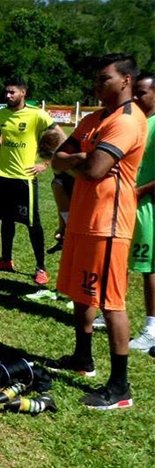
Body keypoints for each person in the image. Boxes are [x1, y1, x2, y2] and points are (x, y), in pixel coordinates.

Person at [48, 54, 147, 410]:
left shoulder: (127, 120)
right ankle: (82, 359)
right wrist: (77, 158)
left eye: (104, 78)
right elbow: (58, 155)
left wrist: (76, 159)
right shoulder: (93, 118)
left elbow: (92, 169)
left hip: (108, 223)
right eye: (96, 78)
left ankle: (120, 387)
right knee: (81, 292)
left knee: (111, 302)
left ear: (126, 81)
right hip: (82, 219)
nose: (97, 84)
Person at [0, 77, 66, 285]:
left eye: (12, 92)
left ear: (23, 93)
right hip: (4, 176)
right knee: (6, 219)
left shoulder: (37, 114)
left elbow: (58, 136)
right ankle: (5, 260)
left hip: (25, 179)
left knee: (32, 223)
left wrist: (45, 163)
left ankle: (40, 267)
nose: (8, 96)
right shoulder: (2, 114)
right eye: (6, 92)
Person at [127, 73, 155, 351]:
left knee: (150, 267)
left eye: (142, 92)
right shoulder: (139, 123)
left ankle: (151, 328)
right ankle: (111, 311)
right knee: (119, 258)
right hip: (129, 203)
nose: (136, 97)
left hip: (146, 205)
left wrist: (139, 191)